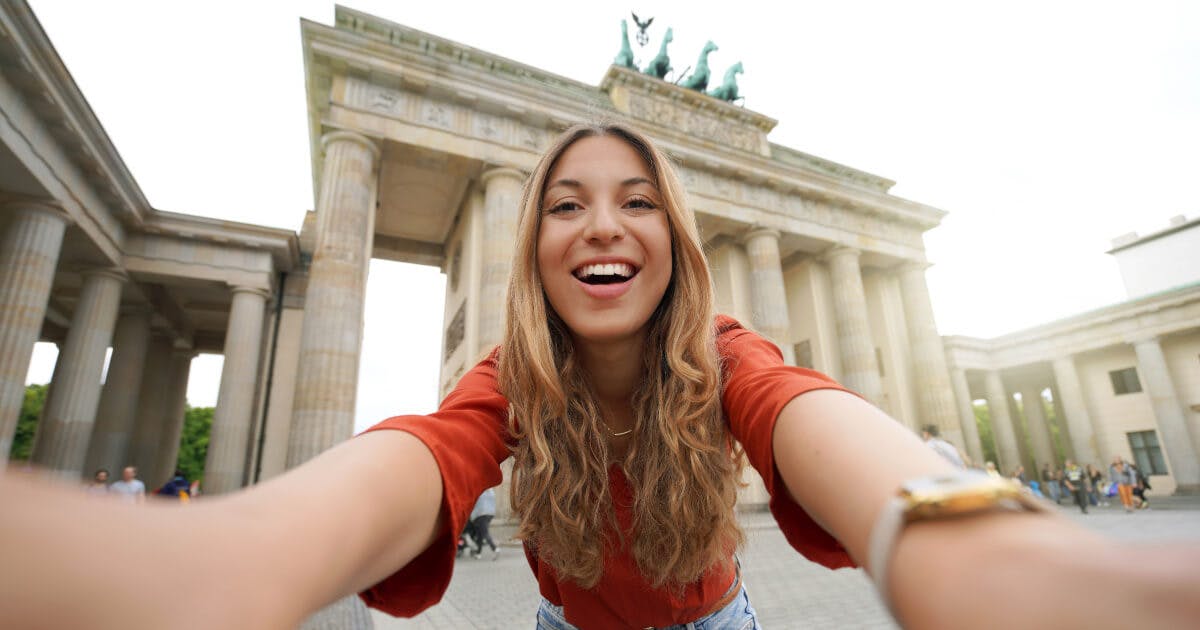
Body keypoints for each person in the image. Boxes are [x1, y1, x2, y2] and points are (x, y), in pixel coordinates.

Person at [2, 122, 1200, 630]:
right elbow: (420, 455)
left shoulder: (733, 358)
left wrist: (993, 554)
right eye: (564, 204)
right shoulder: (512, 381)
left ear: (678, 238)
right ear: (531, 247)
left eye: (637, 202)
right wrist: (227, 558)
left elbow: (838, 433)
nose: (602, 226)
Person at [469, 487, 499, 560]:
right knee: (480, 535)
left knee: (484, 533)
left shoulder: (478, 490)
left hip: (480, 514)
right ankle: (478, 553)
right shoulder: (490, 491)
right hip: (490, 513)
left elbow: (473, 502)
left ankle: (495, 548)